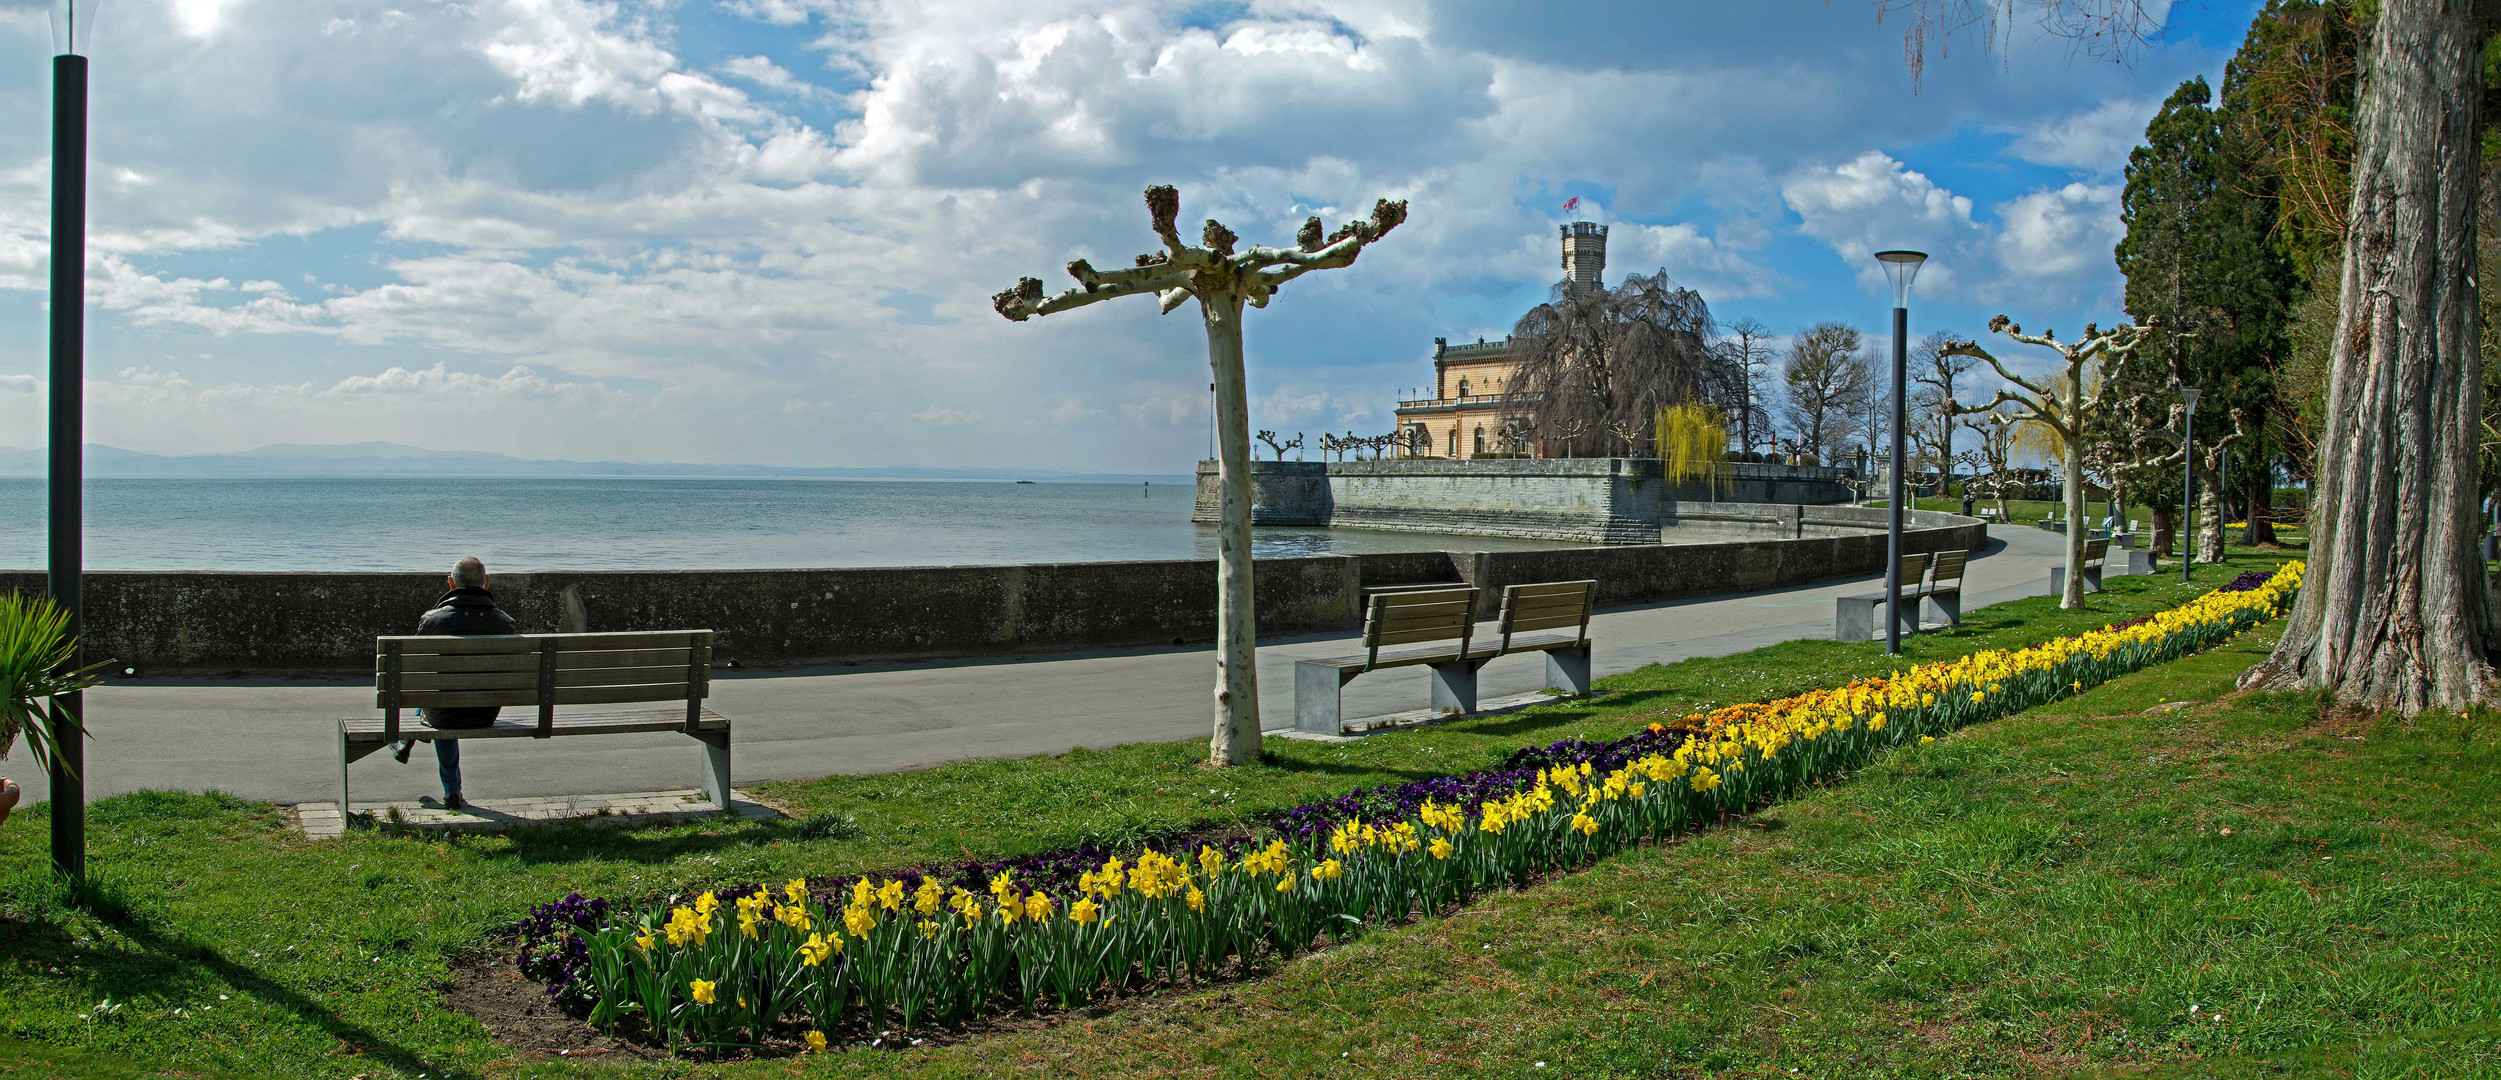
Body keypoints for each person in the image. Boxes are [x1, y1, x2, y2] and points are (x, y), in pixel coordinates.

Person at [392, 556, 518, 809]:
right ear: (486, 583)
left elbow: (416, 671)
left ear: (451, 583)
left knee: (440, 700)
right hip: (485, 712)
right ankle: (411, 740)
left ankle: (450, 789)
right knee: (442, 698)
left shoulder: (433, 620)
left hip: (444, 712)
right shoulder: (504, 622)